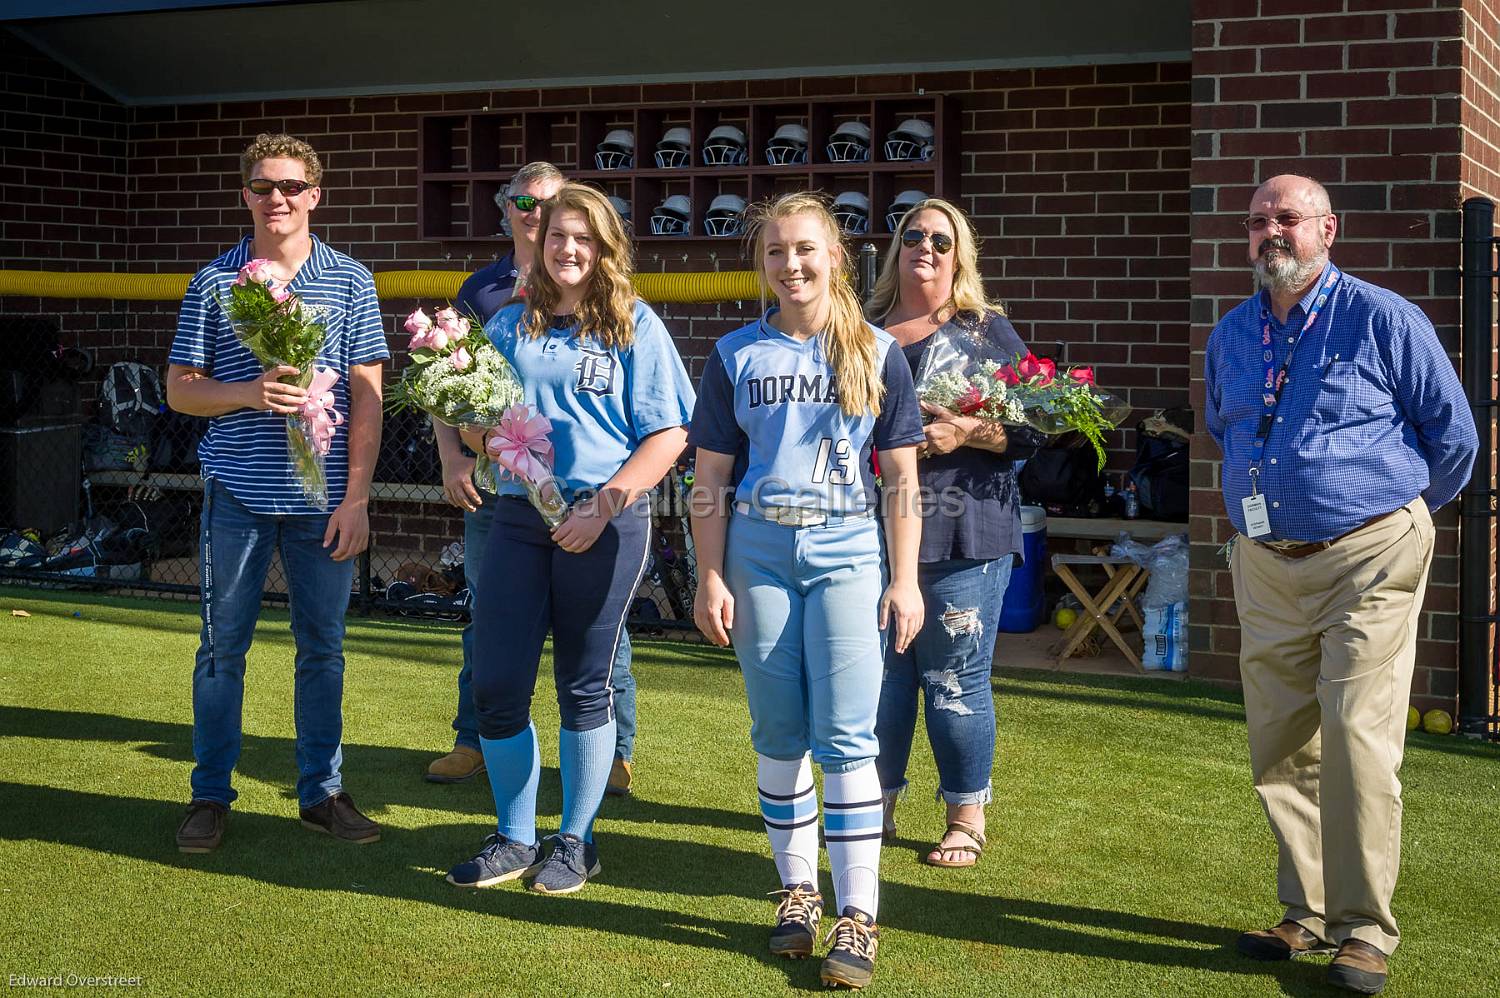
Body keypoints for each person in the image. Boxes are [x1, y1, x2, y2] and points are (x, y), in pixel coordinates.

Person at [1205, 174, 1477, 995]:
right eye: (1257, 222)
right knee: (1280, 740)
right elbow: (1225, 427)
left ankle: (1364, 930)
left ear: (1329, 228)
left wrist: (1394, 518)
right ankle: (1306, 911)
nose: (1271, 233)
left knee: (1356, 735)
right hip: (1267, 561)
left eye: (1287, 219)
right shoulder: (1232, 332)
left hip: (1371, 556)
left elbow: (1453, 436)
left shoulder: (1385, 319)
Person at [689, 192, 925, 990]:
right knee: (779, 728)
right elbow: (711, 477)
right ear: (761, 265)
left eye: (806, 250)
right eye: (776, 252)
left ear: (837, 258)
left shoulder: (876, 349)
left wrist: (906, 579)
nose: (792, 265)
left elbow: (900, 478)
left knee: (847, 736)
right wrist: (710, 573)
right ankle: (798, 894)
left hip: (848, 549)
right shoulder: (733, 354)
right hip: (757, 550)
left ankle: (858, 912)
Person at [445, 183, 694, 895]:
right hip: (521, 518)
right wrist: (470, 427)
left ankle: (575, 842)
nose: (569, 249)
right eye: (558, 236)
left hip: (604, 520)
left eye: (584, 237)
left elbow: (670, 432)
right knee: (496, 682)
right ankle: (514, 837)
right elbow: (472, 423)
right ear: (540, 242)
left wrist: (604, 505)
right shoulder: (507, 326)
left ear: (605, 245)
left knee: (585, 685)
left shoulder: (633, 325)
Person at [166, 133, 390, 853]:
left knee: (322, 649)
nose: (278, 199)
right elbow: (180, 389)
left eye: (292, 186)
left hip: (322, 500)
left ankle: (321, 793)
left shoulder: (351, 280)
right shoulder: (215, 281)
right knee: (220, 650)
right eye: (263, 187)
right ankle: (210, 796)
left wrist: (355, 498)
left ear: (315, 196)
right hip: (236, 492)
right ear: (246, 195)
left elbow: (368, 400)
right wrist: (247, 391)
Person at [425, 162, 643, 798]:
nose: (535, 213)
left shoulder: (621, 311)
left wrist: (605, 499)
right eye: (522, 201)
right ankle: (475, 740)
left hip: (589, 501)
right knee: (489, 622)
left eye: (549, 206)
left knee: (600, 635)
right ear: (508, 209)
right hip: (507, 496)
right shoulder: (487, 293)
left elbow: (665, 429)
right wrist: (456, 454)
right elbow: (451, 384)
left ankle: (615, 752)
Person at [865, 197, 1042, 868]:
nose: (927, 249)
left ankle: (965, 813)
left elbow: (1031, 435)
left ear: (960, 255)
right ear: (897, 248)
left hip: (966, 531)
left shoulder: (986, 332)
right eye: (914, 237)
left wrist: (966, 430)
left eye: (942, 240)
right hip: (871, 531)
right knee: (879, 681)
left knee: (952, 679)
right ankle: (873, 804)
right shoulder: (859, 329)